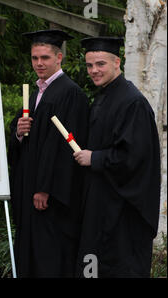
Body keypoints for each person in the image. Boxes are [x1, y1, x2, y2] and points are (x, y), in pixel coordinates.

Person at [74, 37, 160, 278]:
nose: (94, 71)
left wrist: (96, 158)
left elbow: (135, 157)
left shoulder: (132, 102)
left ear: (116, 63)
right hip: (102, 203)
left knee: (120, 268)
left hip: (123, 212)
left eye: (100, 64)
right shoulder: (105, 96)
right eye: (90, 65)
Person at [8, 29, 90, 277]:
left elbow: (65, 146)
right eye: (35, 58)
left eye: (45, 57)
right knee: (33, 253)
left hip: (51, 197)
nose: (39, 63)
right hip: (31, 189)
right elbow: (26, 139)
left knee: (50, 255)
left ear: (59, 58)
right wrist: (19, 132)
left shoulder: (70, 93)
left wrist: (45, 188)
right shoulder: (37, 94)